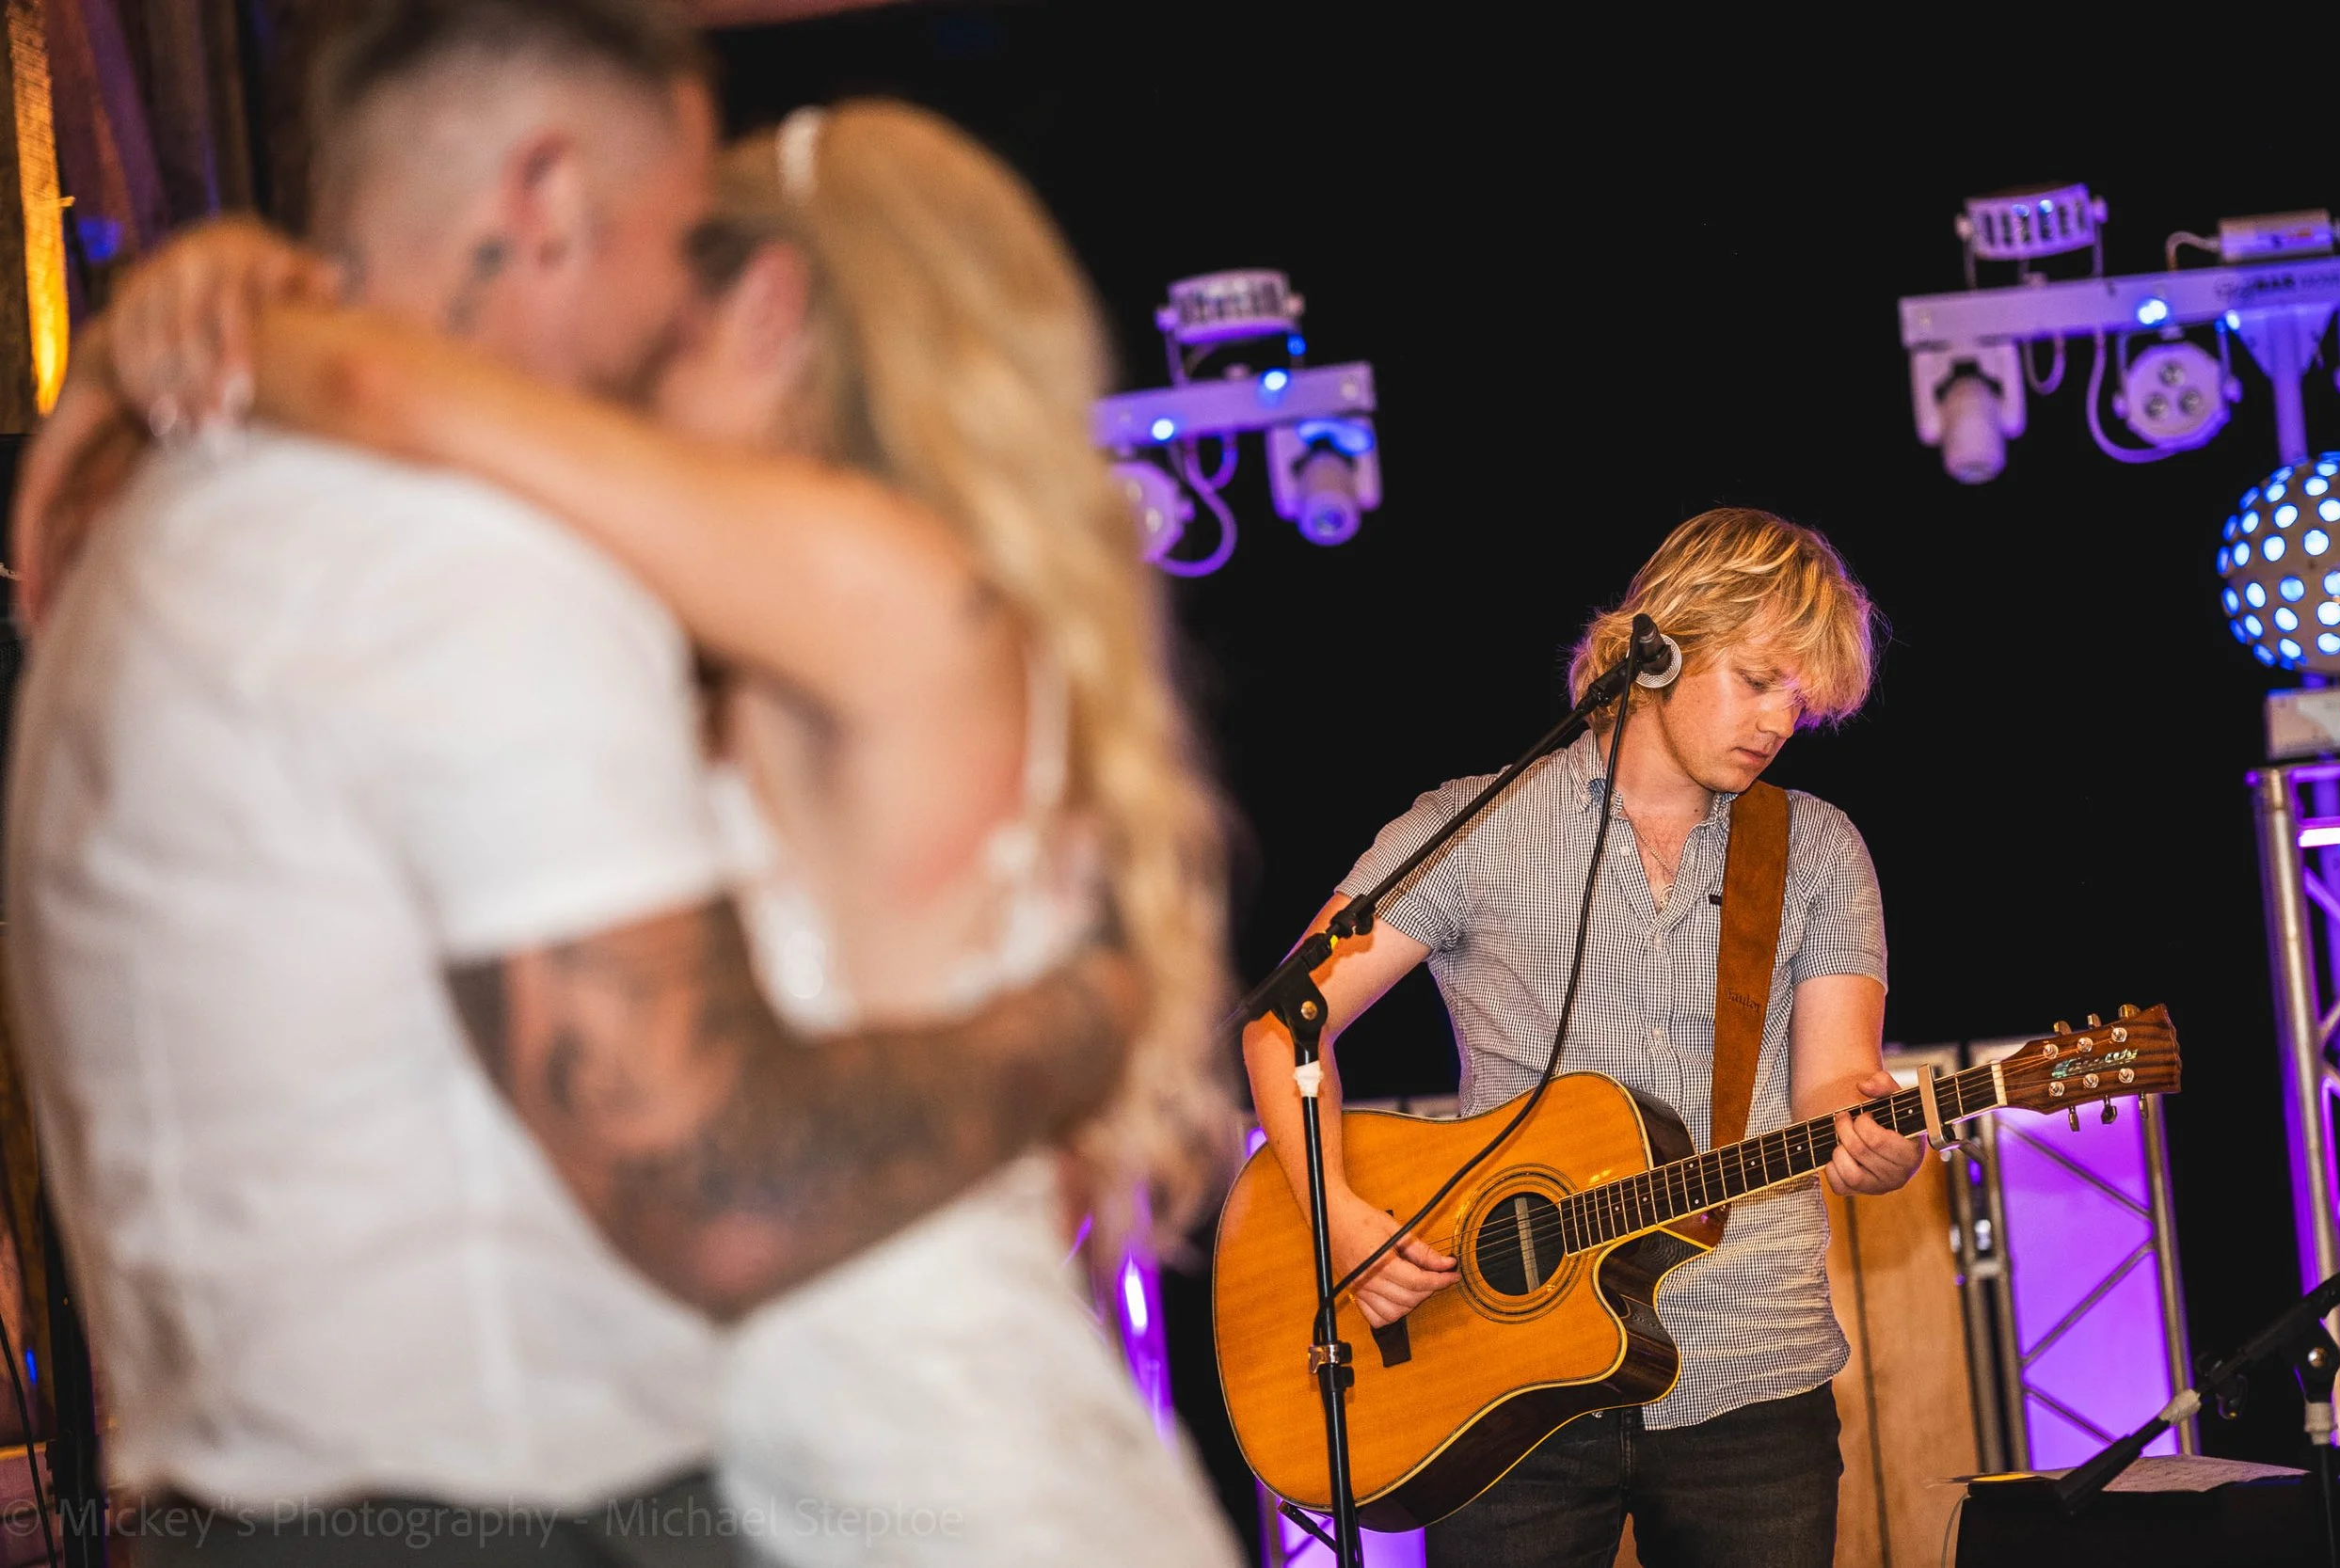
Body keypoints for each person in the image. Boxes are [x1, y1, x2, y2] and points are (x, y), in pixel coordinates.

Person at [6, 5, 1170, 1563]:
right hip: (652, 1479)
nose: (641, 335)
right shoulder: (537, 588)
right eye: (664, 247)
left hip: (893, 1441)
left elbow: (405, 398)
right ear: (547, 203)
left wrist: (233, 334)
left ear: (769, 315)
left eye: (690, 275)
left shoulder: (866, 587)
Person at [1239, 509, 1918, 1568]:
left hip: (1751, 1376)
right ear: (1660, 643)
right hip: (1499, 1380)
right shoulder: (1475, 824)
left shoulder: (1818, 849)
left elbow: (1836, 1082)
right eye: (1757, 678)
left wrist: (1884, 1138)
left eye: (1801, 697)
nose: (1779, 718)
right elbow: (1286, 1017)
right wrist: (1337, 1219)